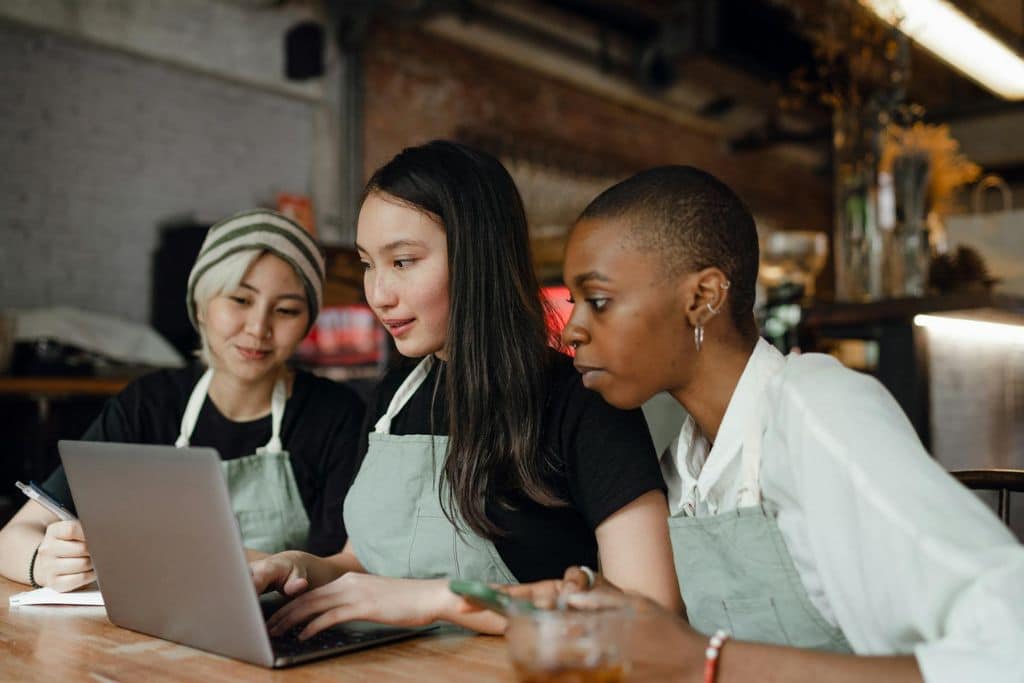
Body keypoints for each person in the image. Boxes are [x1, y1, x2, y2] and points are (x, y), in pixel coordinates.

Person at [499, 165, 1024, 682]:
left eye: (598, 302)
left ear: (702, 298)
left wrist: (702, 662)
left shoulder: (819, 413)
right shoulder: (684, 463)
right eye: (574, 304)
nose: (570, 331)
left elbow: (1012, 645)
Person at [251, 140, 681, 638]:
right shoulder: (396, 395)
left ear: (479, 256)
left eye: (404, 262)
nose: (378, 294)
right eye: (368, 264)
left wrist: (443, 601)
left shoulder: (582, 404)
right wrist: (302, 567)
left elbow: (649, 614)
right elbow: (363, 561)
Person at [0, 210, 366, 592]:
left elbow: (341, 568)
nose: (258, 328)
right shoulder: (148, 404)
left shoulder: (336, 416)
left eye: (286, 310)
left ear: (307, 324)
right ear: (201, 305)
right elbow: (12, 538)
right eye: (240, 300)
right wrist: (43, 564)